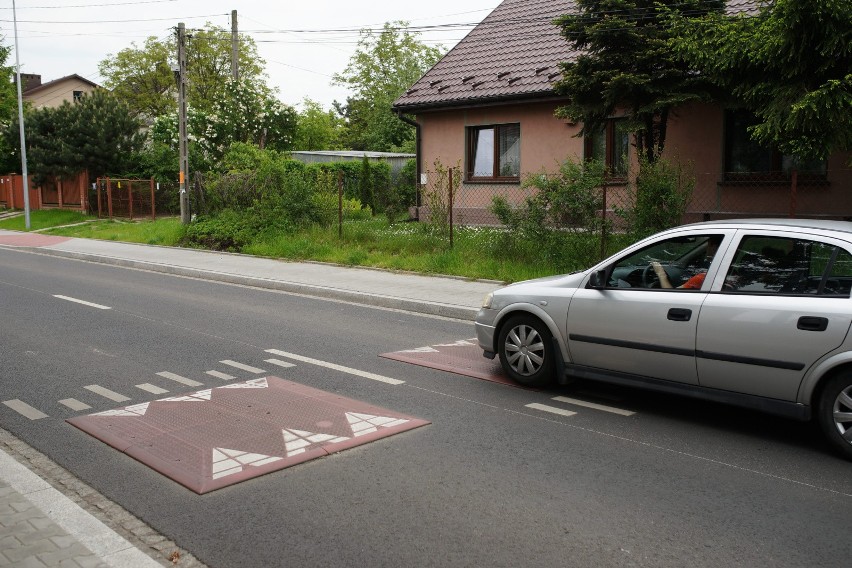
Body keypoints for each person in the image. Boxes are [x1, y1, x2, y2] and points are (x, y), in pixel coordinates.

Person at [652, 236, 722, 289]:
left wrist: (661, 274)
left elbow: (671, 296)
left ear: (713, 247)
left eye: (708, 245)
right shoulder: (724, 274)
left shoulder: (703, 278)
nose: (707, 249)